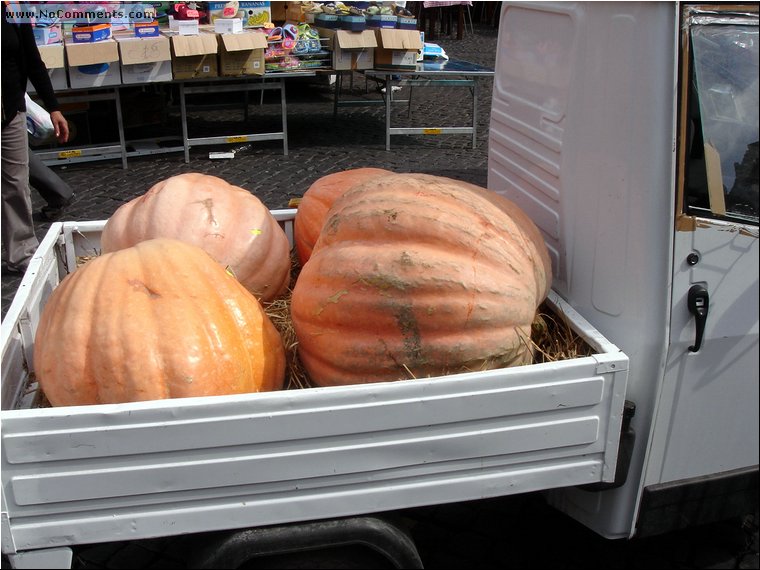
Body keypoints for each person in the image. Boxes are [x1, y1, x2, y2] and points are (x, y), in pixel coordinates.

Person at [2, 1, 70, 275]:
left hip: (8, 111)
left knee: (16, 184)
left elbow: (31, 60)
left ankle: (22, 254)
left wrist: (53, 106)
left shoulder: (13, 9)